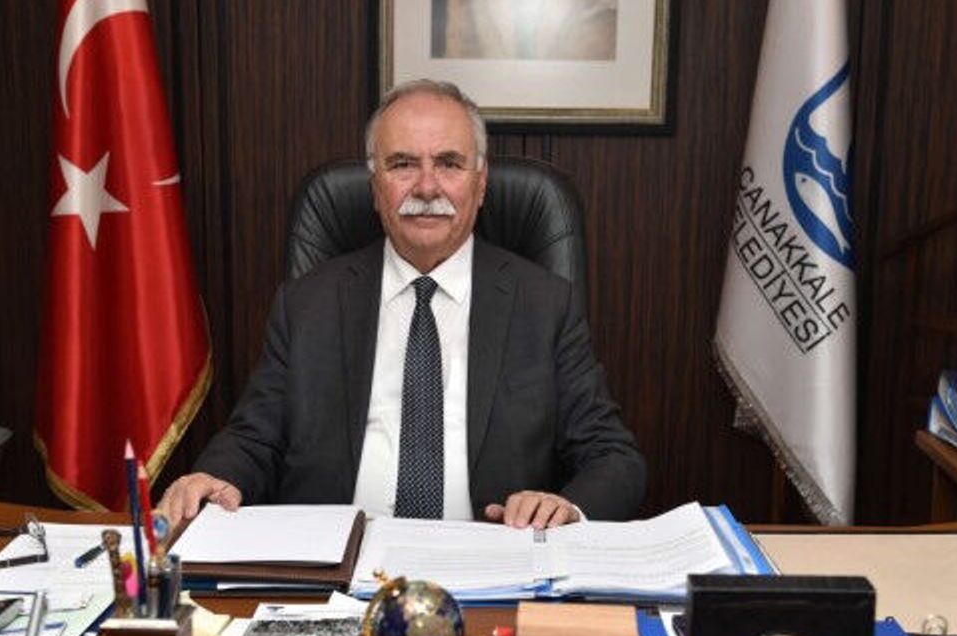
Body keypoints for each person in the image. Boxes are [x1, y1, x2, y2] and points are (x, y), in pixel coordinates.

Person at [159, 79, 645, 528]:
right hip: (337, 568)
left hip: (486, 562)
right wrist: (214, 478)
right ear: (375, 186)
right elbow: (254, 439)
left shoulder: (544, 305)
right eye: (403, 164)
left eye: (449, 163)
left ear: (480, 183)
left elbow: (613, 455)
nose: (427, 188)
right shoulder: (307, 304)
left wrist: (565, 508)